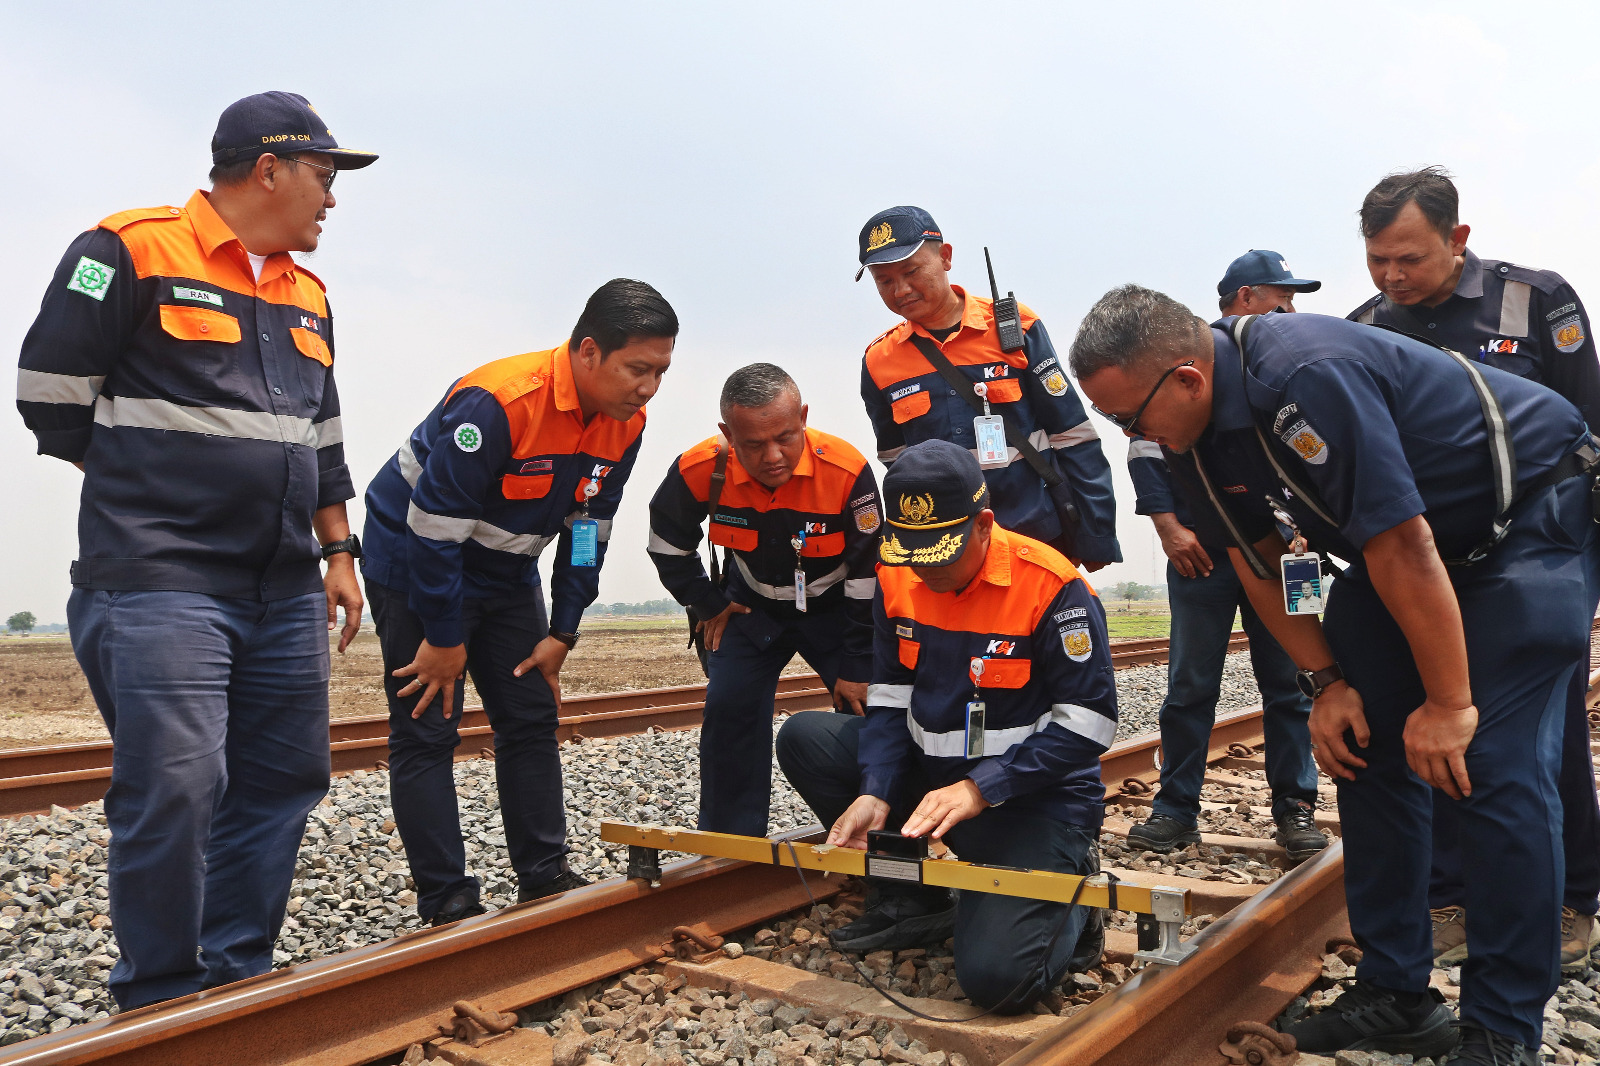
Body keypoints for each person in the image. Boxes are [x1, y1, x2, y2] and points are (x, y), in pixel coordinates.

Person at [1070, 285, 1600, 1065]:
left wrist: (1451, 702)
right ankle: (1397, 995)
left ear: (1186, 378)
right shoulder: (1191, 441)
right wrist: (1327, 684)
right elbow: (1255, 563)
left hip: (1527, 526)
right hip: (1420, 548)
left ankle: (1502, 1030)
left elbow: (1399, 544)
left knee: (1489, 761)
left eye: (1129, 417)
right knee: (1359, 743)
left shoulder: (1301, 375)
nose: (1130, 436)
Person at [15, 91, 374, 1009]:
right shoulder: (127, 251)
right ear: (269, 169)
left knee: (286, 778)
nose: (332, 198)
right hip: (161, 580)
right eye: (325, 176)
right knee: (177, 785)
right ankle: (162, 998)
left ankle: (235, 971)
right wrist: (159, 483)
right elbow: (50, 395)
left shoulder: (308, 293)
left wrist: (339, 550)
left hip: (284, 584)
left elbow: (319, 434)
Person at [360, 280, 677, 926]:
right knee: (427, 728)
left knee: (530, 717)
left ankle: (544, 875)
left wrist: (563, 629)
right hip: (415, 559)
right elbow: (435, 529)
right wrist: (445, 638)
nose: (649, 388)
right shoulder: (501, 403)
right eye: (638, 369)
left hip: (505, 572)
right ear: (589, 352)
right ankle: (446, 898)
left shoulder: (625, 424)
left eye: (661, 372)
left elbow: (590, 529)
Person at [1350, 166, 1600, 972]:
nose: (1393, 278)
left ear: (1458, 240)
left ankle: (1572, 901)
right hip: (1428, 561)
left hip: (1535, 553)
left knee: (1540, 736)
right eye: (1378, 259)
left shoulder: (1534, 300)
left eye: (1409, 259)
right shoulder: (1362, 325)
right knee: (1437, 724)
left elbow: (1588, 430)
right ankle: (1452, 894)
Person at [774, 439, 1117, 1012]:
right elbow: (886, 699)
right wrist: (875, 790)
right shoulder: (897, 577)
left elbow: (1091, 723)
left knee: (998, 982)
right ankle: (915, 900)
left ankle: (1077, 895)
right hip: (936, 788)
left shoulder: (1051, 587)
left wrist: (983, 787)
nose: (926, 569)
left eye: (941, 552)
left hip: (1030, 800)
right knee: (808, 739)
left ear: (985, 524)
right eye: (914, 551)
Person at [1122, 251, 1325, 861]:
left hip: (1289, 554)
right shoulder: (1187, 363)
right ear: (1241, 298)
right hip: (1203, 554)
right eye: (1277, 293)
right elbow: (1145, 449)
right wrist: (1167, 528)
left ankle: (1295, 807)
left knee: (1293, 682)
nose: (1290, 306)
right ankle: (1176, 808)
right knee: (1189, 686)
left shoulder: (1287, 366)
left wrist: (1317, 531)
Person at [646, 364, 881, 835]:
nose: (773, 456)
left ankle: (875, 838)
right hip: (749, 607)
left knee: (871, 709)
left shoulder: (846, 471)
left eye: (785, 437)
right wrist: (708, 603)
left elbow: (867, 577)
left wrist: (857, 665)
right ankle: (729, 845)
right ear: (727, 434)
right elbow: (665, 543)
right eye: (752, 444)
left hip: (836, 611)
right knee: (729, 708)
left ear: (804, 418)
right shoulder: (701, 469)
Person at [856, 206, 1120, 570]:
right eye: (884, 281)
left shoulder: (1017, 329)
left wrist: (1095, 534)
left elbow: (1073, 436)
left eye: (911, 271)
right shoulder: (878, 361)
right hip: (945, 550)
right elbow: (897, 462)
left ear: (945, 257)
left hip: (1034, 537)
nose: (900, 290)